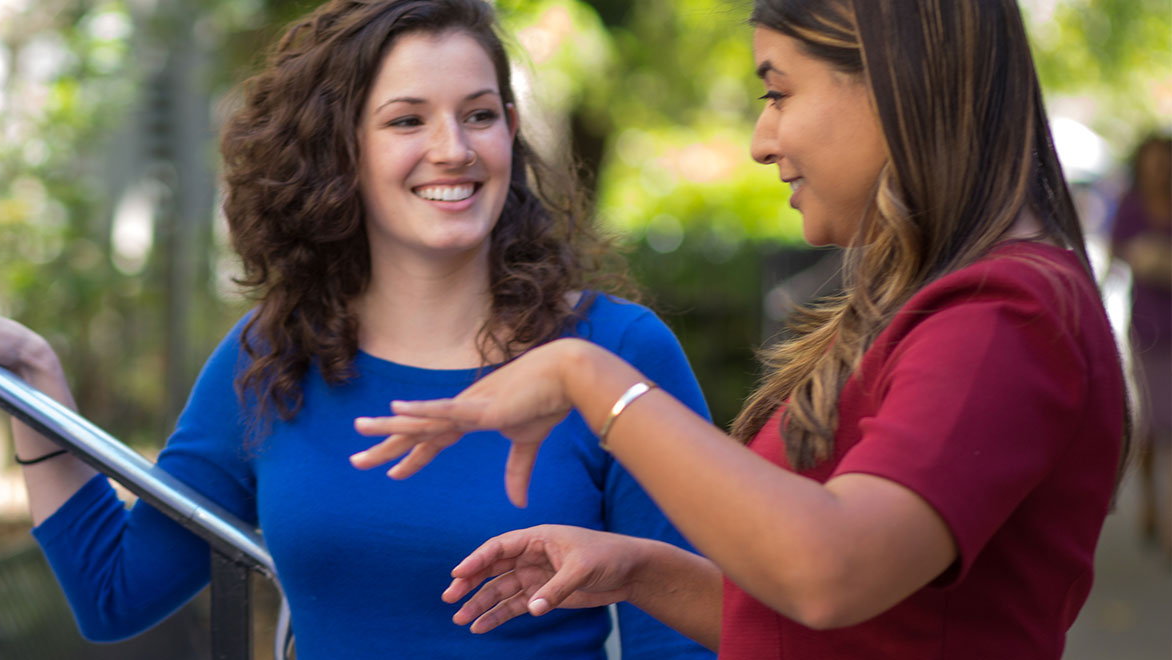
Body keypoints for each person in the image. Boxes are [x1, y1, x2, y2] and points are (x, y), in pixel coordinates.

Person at [349, 1, 1128, 658]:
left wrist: (586, 378)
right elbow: (864, 625)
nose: (763, 140)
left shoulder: (1006, 313)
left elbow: (832, 569)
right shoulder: (952, 303)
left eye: (780, 94)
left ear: (896, 84)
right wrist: (643, 574)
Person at [0, 0, 712, 656]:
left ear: (509, 128)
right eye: (407, 120)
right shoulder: (273, 356)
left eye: (479, 115)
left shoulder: (616, 355)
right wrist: (38, 379)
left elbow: (689, 638)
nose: (455, 149)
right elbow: (117, 593)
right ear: (340, 148)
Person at [1113, 134, 1172, 552]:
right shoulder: (1132, 207)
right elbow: (1117, 253)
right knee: (1152, 425)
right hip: (1149, 331)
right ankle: (1151, 504)